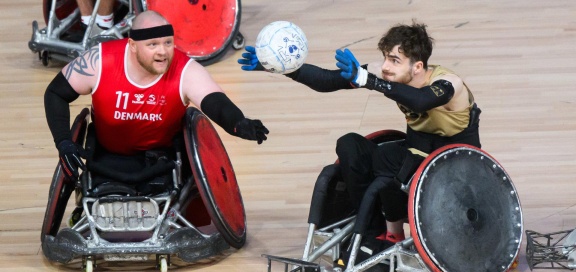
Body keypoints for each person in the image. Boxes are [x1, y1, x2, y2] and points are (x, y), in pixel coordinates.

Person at [238, 21, 480, 258]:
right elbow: (328, 81)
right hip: (413, 153)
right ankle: (372, 233)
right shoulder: (390, 74)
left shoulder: (449, 83)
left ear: (417, 67)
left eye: (394, 60)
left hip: (454, 164)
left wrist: (371, 81)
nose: (385, 66)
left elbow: (421, 100)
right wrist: (281, 67)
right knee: (350, 145)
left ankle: (393, 233)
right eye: (385, 57)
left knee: (387, 158)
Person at [45, 10, 269, 184]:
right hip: (106, 156)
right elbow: (55, 93)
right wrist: (64, 141)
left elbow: (216, 102)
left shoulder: (185, 69)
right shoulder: (100, 61)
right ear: (132, 46)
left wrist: (238, 124)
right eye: (152, 45)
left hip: (164, 159)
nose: (163, 52)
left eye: (168, 43)